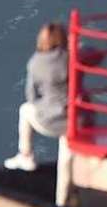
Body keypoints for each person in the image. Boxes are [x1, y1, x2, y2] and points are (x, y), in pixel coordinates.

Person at [4, 23, 69, 171]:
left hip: (51, 122)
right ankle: (67, 170)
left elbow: (31, 96)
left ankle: (25, 156)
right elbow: (95, 56)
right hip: (78, 120)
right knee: (67, 137)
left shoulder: (35, 63)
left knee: (25, 110)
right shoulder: (70, 58)